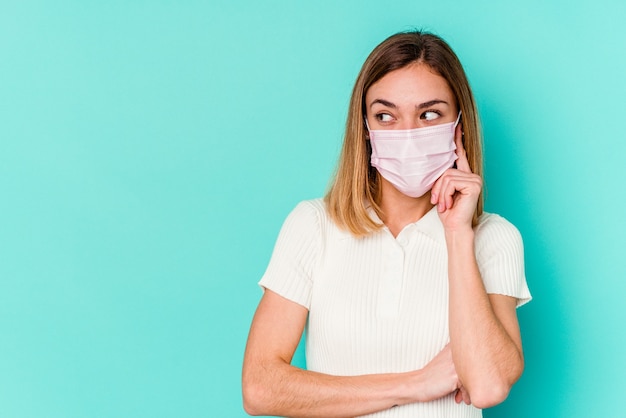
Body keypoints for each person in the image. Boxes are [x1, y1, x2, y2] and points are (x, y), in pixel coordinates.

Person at [242, 30, 531, 417]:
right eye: (385, 115)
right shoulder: (314, 226)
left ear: (458, 125)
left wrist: (458, 234)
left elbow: (488, 384)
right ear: (365, 128)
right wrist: (417, 384)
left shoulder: (494, 239)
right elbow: (261, 389)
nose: (408, 133)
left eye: (429, 114)